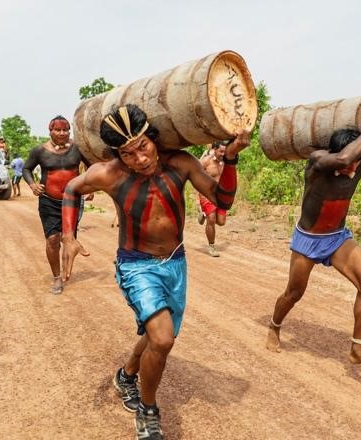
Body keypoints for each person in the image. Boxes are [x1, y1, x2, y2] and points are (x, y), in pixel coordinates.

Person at [60, 104, 250, 440]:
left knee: (155, 336)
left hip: (176, 263)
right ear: (118, 155)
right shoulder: (110, 174)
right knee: (162, 338)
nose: (140, 159)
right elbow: (72, 189)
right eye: (128, 154)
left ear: (153, 139)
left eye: (143, 147)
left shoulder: (181, 163)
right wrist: (68, 235)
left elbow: (223, 200)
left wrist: (231, 158)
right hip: (136, 265)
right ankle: (148, 412)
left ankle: (126, 375)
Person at [265, 109, 361, 370]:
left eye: (357, 162)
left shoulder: (358, 164)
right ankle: (274, 326)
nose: (353, 167)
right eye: (350, 163)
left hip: (337, 239)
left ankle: (357, 348)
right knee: (294, 293)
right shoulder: (318, 162)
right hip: (308, 239)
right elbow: (345, 158)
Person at [22, 115, 92, 295]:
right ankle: (56, 277)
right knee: (53, 239)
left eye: (65, 130)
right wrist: (32, 184)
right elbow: (26, 168)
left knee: (68, 239)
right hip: (48, 201)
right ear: (50, 130)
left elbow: (91, 166)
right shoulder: (40, 151)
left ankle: (65, 270)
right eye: (58, 130)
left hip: (73, 201)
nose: (62, 133)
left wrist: (90, 186)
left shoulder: (78, 149)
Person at [197, 141, 228, 257]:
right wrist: (199, 194)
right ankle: (211, 246)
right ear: (214, 149)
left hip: (220, 196)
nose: (223, 154)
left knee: (221, 222)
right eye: (221, 151)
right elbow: (195, 174)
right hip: (206, 194)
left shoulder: (226, 162)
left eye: (225, 152)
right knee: (212, 218)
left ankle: (203, 214)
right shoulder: (206, 161)